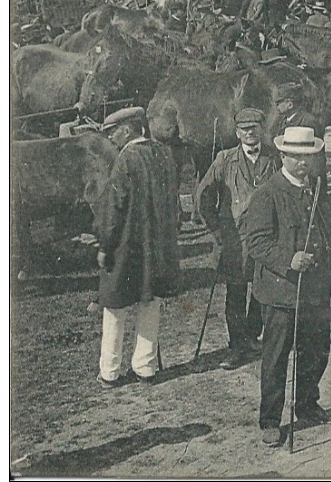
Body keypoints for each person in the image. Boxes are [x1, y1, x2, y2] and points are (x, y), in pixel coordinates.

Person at [243, 126, 331, 446]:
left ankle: (307, 405)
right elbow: (256, 242)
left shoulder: (316, 189)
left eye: (308, 157)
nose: (304, 163)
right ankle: (270, 420)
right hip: (281, 293)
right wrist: (289, 259)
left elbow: (329, 231)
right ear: (283, 157)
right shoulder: (268, 193)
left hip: (315, 289)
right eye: (297, 157)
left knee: (316, 352)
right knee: (276, 358)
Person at [94, 107, 180, 388]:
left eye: (113, 132)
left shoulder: (126, 159)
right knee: (150, 302)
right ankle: (145, 367)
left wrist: (104, 244)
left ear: (129, 129)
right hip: (158, 246)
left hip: (126, 246)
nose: (111, 138)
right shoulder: (165, 154)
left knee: (114, 307)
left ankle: (109, 371)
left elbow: (113, 209)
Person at [196, 108, 279, 370]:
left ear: (262, 130)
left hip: (266, 237)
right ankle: (237, 346)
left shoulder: (274, 158)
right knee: (236, 292)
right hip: (236, 239)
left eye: (255, 127)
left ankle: (253, 336)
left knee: (262, 287)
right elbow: (203, 196)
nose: (250, 133)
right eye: (245, 129)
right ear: (237, 133)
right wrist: (218, 231)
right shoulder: (224, 160)